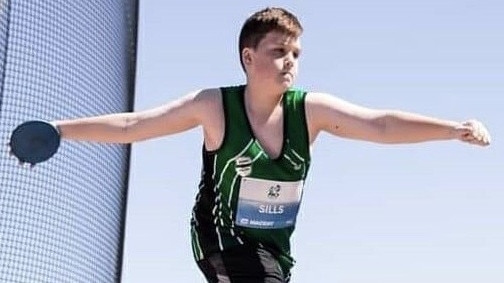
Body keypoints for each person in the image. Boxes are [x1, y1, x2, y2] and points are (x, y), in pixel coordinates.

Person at [36, 7, 490, 283]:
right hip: (221, 241)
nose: (289, 61)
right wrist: (60, 129)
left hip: (274, 252)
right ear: (248, 58)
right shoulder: (215, 107)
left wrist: (451, 128)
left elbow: (381, 125)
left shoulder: (309, 111)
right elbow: (135, 125)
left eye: (296, 53)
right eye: (278, 51)